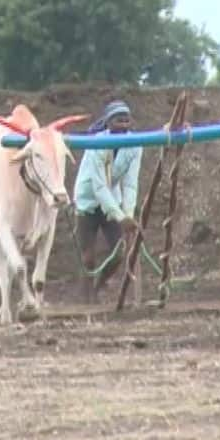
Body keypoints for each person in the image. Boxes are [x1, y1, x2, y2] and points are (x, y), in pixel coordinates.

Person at [73, 100, 143, 303]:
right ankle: (86, 301)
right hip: (88, 201)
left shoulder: (135, 144)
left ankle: (98, 286)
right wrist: (121, 217)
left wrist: (128, 215)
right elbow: (99, 187)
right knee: (87, 257)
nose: (122, 125)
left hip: (112, 201)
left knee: (119, 253)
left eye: (126, 120)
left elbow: (130, 184)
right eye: (117, 120)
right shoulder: (97, 143)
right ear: (108, 123)